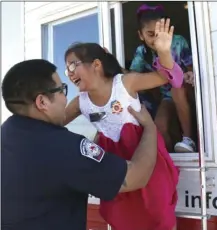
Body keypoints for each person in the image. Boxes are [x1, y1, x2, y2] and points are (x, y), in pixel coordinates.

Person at [1, 59, 158, 230]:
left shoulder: (6, 135)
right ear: (42, 102)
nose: (65, 98)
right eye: (61, 90)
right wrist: (150, 128)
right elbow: (136, 177)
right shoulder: (64, 148)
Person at [64, 19, 180, 230]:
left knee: (158, 212)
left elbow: (170, 78)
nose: (69, 73)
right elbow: (49, 124)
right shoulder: (80, 102)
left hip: (146, 154)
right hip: (115, 166)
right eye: (66, 70)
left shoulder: (125, 83)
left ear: (97, 64)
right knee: (123, 217)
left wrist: (164, 52)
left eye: (73, 65)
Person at [130, 4, 196, 153]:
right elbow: (132, 77)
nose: (156, 39)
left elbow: (192, 68)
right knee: (159, 125)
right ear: (141, 35)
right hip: (167, 97)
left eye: (160, 33)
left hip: (186, 90)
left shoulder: (178, 41)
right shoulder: (142, 52)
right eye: (150, 34)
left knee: (176, 88)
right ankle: (169, 157)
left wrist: (189, 74)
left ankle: (189, 139)